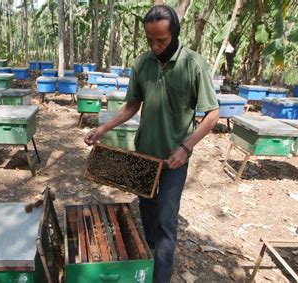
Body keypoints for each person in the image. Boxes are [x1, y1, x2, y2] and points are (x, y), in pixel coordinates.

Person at [84, 5, 219, 283]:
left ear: (175, 34)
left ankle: (160, 278)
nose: (155, 46)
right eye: (150, 40)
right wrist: (103, 128)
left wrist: (186, 147)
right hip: (143, 157)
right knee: (146, 212)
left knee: (166, 222)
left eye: (162, 40)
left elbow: (212, 114)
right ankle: (148, 261)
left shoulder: (194, 65)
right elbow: (132, 104)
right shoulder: (141, 64)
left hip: (173, 160)